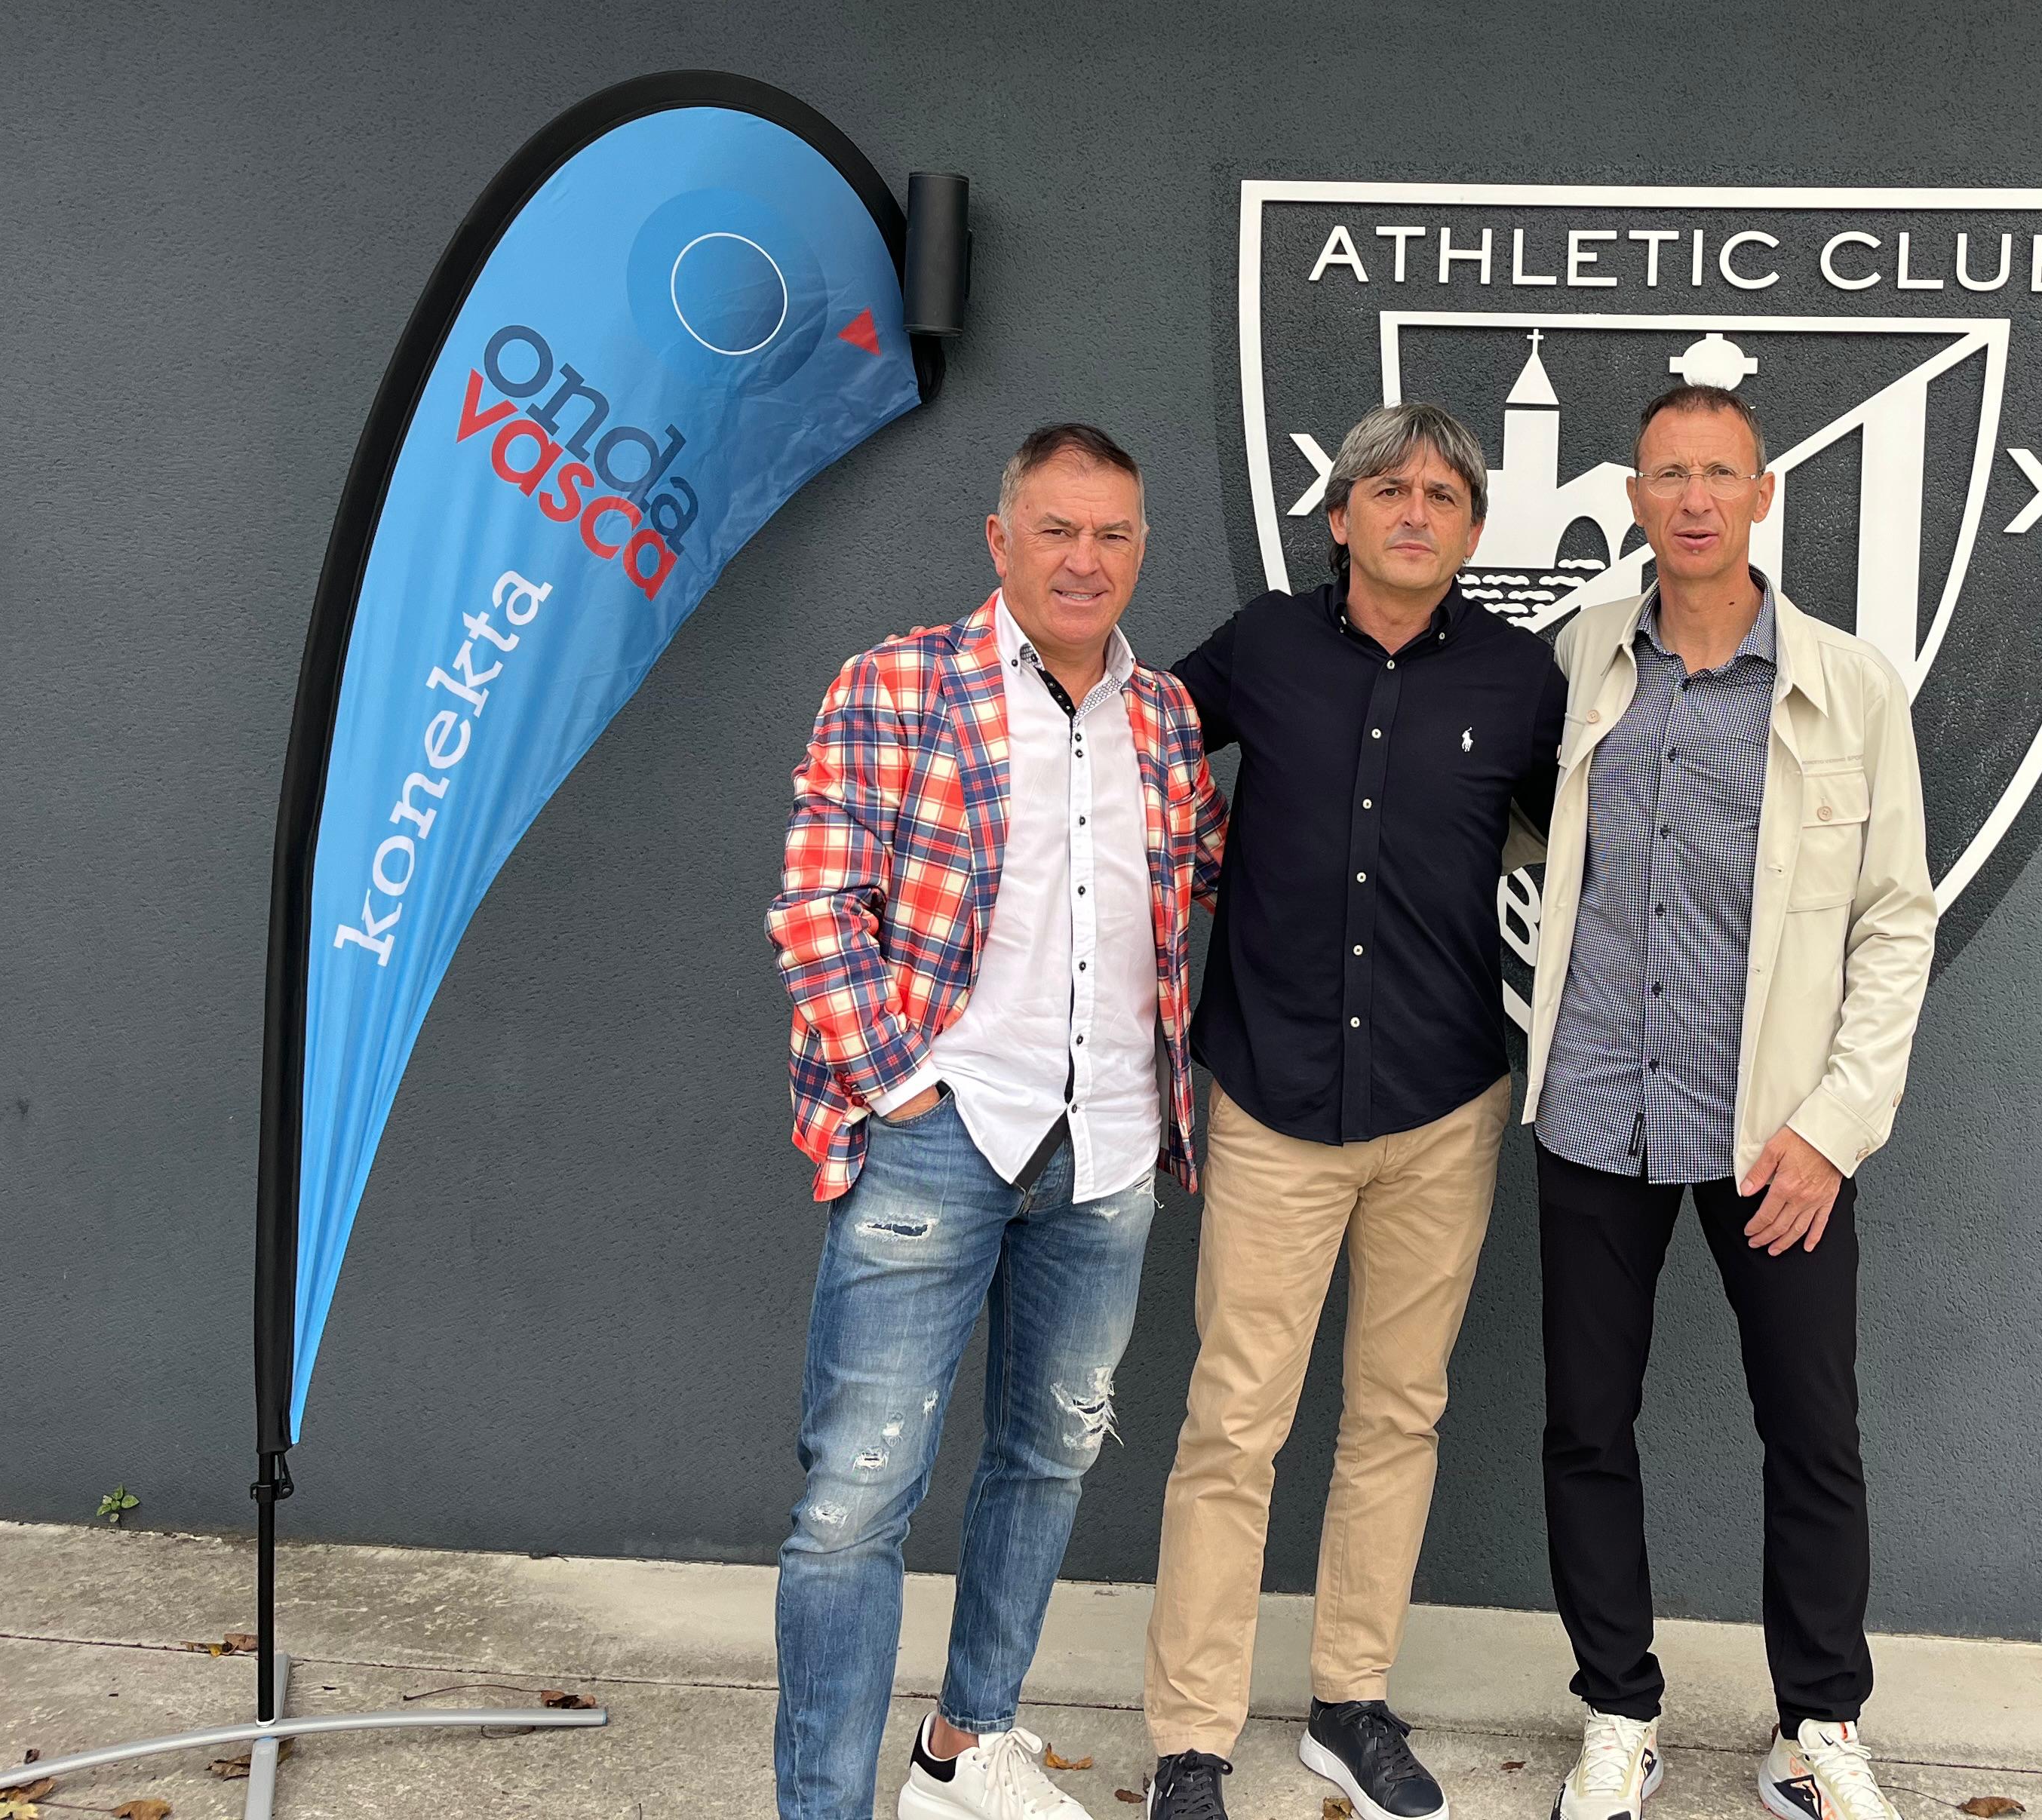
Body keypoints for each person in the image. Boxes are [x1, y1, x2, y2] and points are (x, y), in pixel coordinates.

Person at [765, 423, 1224, 1820]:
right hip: (940, 1136)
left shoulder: (1167, 722)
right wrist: (902, 1085)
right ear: (1001, 538)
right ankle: (824, 1807)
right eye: (1058, 530)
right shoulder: (901, 683)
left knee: (1050, 1451)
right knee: (856, 1497)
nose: (1086, 559)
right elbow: (817, 905)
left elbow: (1187, 902)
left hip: (1110, 1150)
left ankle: (968, 1747)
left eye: (1114, 535)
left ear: (1141, 548)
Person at [1143, 402, 1566, 1820]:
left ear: (1472, 529)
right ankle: (1191, 1737)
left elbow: (1604, 844)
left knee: (1397, 1415)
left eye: (1444, 493)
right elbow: (1125, 755)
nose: (1414, 511)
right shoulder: (1263, 647)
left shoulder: (1521, 680)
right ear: (1339, 518)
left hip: (1442, 1105)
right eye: (1387, 488)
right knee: (1233, 1425)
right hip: (1274, 1098)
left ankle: (1349, 1701)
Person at [1523, 384, 1936, 1820]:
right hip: (1595, 1113)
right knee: (1588, 1423)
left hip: (1778, 1133)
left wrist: (1834, 1128)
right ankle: (1616, 1712)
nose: (1693, 497)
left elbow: (1895, 923)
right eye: (1665, 474)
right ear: (1632, 497)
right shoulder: (1579, 661)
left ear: (1765, 496)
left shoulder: (1849, 685)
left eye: (1721, 473)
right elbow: (1521, 820)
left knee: (1812, 1431)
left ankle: (1816, 1727)